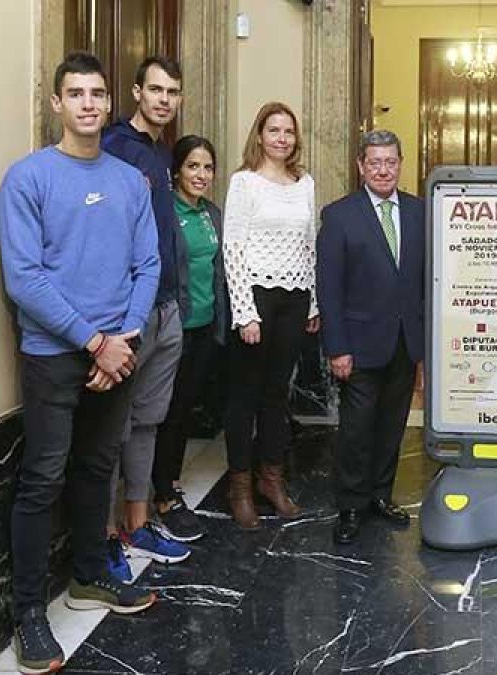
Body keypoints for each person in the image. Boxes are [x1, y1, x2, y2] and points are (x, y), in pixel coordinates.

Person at [0, 51, 158, 674]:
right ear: (57, 104)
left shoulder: (128, 180)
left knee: (97, 468)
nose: (89, 103)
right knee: (42, 480)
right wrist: (96, 342)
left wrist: (124, 340)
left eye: (98, 93)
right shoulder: (27, 178)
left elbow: (147, 265)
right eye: (77, 93)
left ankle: (90, 575)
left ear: (109, 104)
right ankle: (28, 613)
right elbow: (25, 279)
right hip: (55, 356)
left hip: (118, 351)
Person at [100, 56, 191, 571]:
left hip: (164, 309)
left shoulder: (160, 153)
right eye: (154, 89)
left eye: (172, 92)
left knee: (148, 425)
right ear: (136, 92)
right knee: (113, 428)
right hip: (126, 315)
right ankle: (108, 534)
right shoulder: (115, 147)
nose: (163, 99)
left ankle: (138, 524)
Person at [317, 129, 425, 545]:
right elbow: (329, 287)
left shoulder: (418, 212)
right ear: (361, 166)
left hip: (404, 341)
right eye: (375, 162)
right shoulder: (340, 215)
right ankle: (350, 505)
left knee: (392, 426)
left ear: (400, 164)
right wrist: (337, 347)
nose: (384, 169)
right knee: (357, 429)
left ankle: (380, 496)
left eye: (391, 162)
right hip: (358, 346)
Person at [222, 102, 320, 527]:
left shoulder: (305, 183)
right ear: (259, 135)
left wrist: (313, 301)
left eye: (289, 131)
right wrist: (245, 312)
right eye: (274, 130)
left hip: (295, 298)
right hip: (256, 298)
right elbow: (233, 249)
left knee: (277, 395)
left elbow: (309, 245)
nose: (282, 138)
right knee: (244, 396)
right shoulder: (243, 183)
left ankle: (272, 479)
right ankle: (240, 487)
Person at [150, 135, 226, 544]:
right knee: (166, 412)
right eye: (193, 166)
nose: (200, 175)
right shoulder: (166, 212)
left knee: (183, 409)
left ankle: (168, 482)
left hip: (203, 327)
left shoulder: (212, 214)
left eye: (208, 167)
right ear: (177, 169)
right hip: (170, 326)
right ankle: (160, 495)